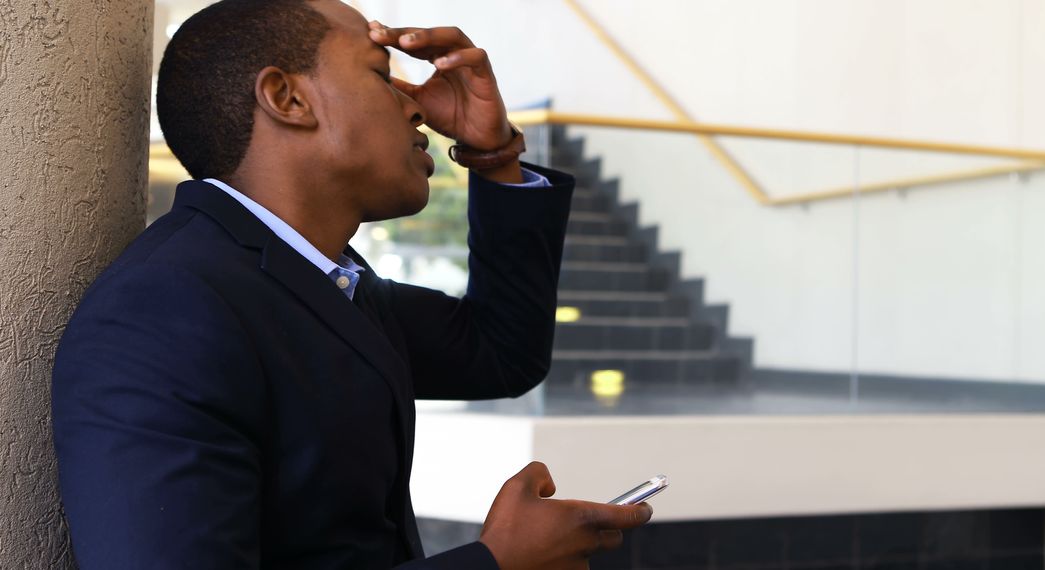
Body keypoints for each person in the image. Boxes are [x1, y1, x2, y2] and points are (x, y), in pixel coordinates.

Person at [50, 0, 653, 568]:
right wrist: (491, 563)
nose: (418, 107)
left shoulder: (328, 281)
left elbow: (502, 351)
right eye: (379, 74)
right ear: (287, 98)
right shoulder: (162, 311)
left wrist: (493, 154)